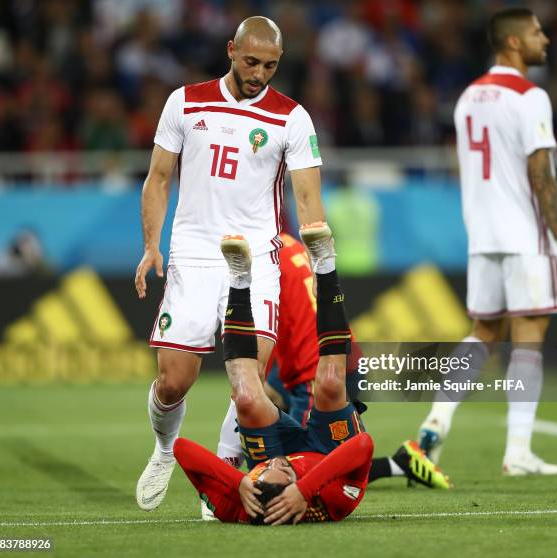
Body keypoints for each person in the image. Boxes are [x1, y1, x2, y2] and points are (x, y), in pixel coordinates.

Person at [134, 16, 327, 511]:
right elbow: (158, 178)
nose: (260, 74)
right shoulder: (185, 101)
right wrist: (151, 246)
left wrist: (321, 261)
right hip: (195, 254)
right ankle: (163, 450)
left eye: (270, 65)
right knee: (173, 380)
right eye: (251, 62)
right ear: (230, 51)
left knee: (249, 386)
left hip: (257, 259)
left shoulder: (292, 118)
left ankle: (220, 479)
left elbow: (308, 199)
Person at [174, 226, 450, 525]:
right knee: (330, 384)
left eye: (261, 470)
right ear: (292, 489)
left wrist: (237, 482)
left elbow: (181, 448)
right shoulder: (332, 498)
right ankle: (326, 264)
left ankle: (238, 279)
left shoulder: (238, 507)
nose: (281, 461)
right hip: (328, 450)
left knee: (246, 396)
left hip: (294, 378)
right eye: (286, 469)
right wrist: (304, 488)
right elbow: (363, 445)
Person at [417, 8, 557, 475]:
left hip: (482, 234)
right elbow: (542, 178)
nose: (545, 39)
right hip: (525, 235)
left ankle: (437, 417)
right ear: (512, 43)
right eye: (536, 32)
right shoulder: (530, 97)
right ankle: (518, 452)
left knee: (483, 332)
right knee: (528, 338)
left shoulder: (468, 97)